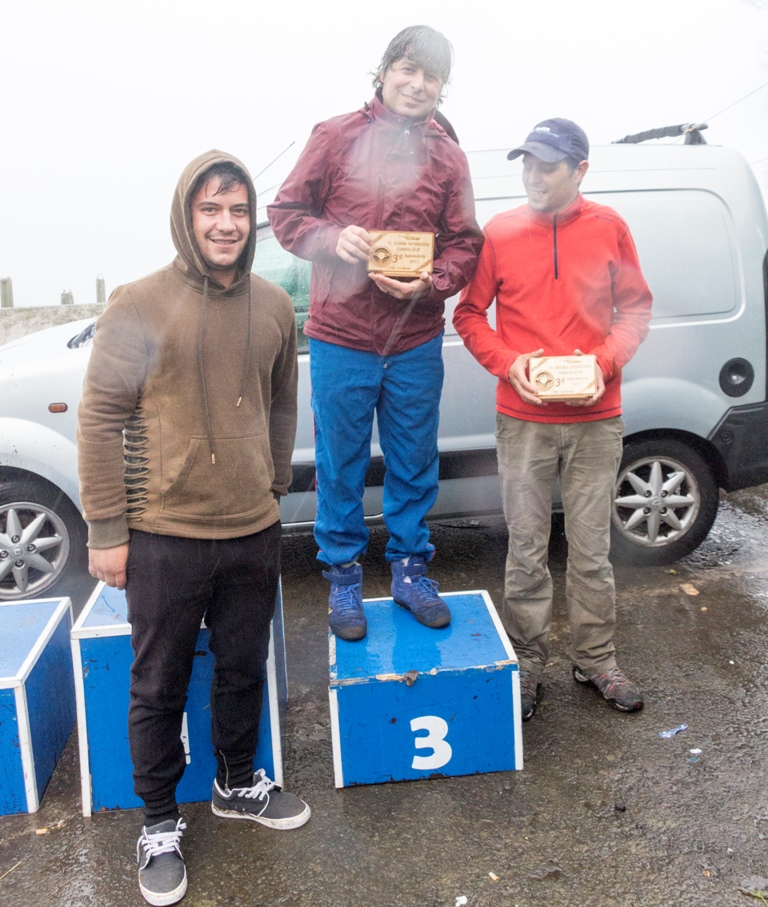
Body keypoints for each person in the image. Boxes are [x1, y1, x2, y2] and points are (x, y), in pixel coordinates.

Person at [77, 150, 310, 907]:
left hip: (251, 528)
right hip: (163, 533)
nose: (226, 223)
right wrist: (106, 529)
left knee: (243, 667)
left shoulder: (274, 305)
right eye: (211, 208)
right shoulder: (138, 304)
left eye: (238, 210)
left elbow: (282, 401)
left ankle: (237, 783)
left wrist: (274, 483)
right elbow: (100, 417)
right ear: (187, 215)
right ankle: (157, 821)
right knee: (159, 684)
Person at [268, 25, 483, 642]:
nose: (418, 84)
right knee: (340, 464)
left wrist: (432, 282)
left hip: (415, 340)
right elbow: (285, 215)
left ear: (442, 87)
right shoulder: (334, 136)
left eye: (432, 76)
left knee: (414, 462)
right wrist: (331, 238)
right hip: (341, 337)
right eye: (408, 69)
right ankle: (343, 578)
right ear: (384, 71)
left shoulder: (449, 156)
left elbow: (465, 243)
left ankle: (411, 572)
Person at [453, 118, 653, 720]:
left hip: (596, 420)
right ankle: (526, 662)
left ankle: (595, 660)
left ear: (580, 170)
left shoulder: (611, 227)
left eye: (547, 165)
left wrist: (604, 363)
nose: (533, 176)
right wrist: (508, 363)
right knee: (526, 549)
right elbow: (468, 314)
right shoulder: (501, 231)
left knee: (591, 551)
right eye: (527, 163)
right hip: (523, 421)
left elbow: (636, 309)